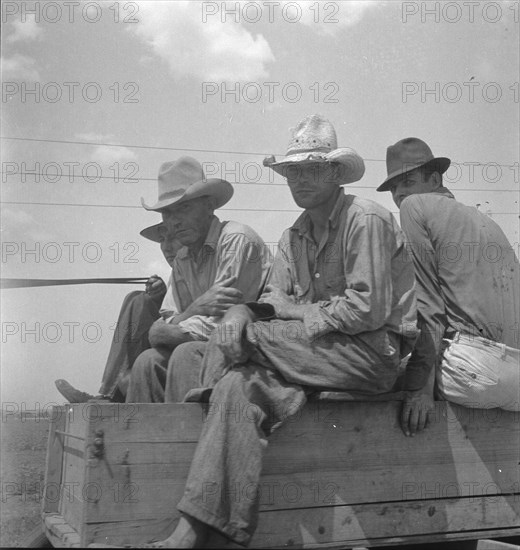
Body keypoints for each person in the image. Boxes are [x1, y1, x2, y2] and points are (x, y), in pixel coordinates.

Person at [145, 114, 419, 547]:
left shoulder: (365, 219)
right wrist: (244, 311)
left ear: (334, 172)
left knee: (237, 341)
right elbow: (273, 299)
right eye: (292, 172)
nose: (299, 180)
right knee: (238, 385)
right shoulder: (294, 237)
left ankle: (198, 411)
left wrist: (282, 315)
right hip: (313, 353)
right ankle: (206, 530)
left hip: (371, 355)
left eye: (310, 169)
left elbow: (367, 310)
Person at [376, 137, 519, 440]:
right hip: (515, 378)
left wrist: (419, 389)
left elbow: (428, 307)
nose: (399, 193)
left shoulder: (415, 207)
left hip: (474, 373)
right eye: (393, 188)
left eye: (408, 181)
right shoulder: (486, 220)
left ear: (435, 178)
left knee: (368, 374)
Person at [125, 156, 272, 403]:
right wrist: (195, 308)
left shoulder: (236, 241)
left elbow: (222, 326)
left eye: (184, 208)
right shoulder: (183, 257)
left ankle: (188, 438)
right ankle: (139, 439)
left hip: (249, 349)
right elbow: (170, 319)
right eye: (167, 213)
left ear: (209, 205)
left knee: (185, 353)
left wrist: (167, 329)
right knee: (147, 361)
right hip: (207, 347)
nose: (174, 221)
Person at [54, 222, 182, 403]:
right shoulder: (178, 272)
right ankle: (110, 392)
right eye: (162, 240)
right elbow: (173, 309)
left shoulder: (202, 266)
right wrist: (159, 296)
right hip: (171, 335)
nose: (167, 247)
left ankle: (111, 396)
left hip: (187, 342)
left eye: (174, 238)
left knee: (141, 301)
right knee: (137, 299)